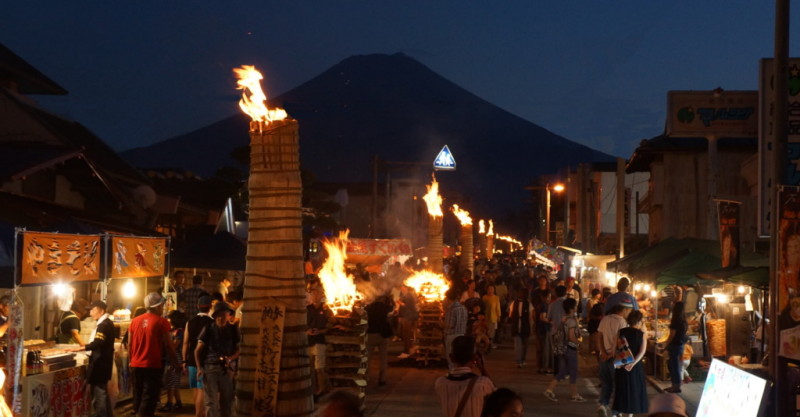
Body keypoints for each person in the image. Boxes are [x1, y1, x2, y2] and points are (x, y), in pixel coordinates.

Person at [128, 292, 180, 417]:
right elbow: (168, 345)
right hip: (152, 365)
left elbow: (130, 344)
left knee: (139, 396)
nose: (163, 308)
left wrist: (131, 361)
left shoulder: (134, 321)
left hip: (135, 364)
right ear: (156, 306)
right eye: (162, 306)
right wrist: (175, 362)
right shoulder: (162, 322)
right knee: (149, 398)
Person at [195, 302, 240, 417]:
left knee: (227, 401)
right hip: (210, 367)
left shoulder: (233, 330)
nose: (222, 317)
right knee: (211, 402)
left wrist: (230, 359)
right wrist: (199, 368)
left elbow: (239, 350)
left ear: (229, 315)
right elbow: (197, 351)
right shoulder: (208, 329)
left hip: (227, 368)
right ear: (215, 316)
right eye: (220, 315)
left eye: (225, 314)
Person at [435, 336, 495, 417]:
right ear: (475, 358)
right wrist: (483, 369)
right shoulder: (483, 384)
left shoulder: (440, 383)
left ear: (451, 358)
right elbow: (497, 400)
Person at [72, 300, 115, 417]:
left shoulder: (103, 325)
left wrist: (82, 348)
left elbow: (98, 342)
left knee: (99, 395)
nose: (90, 313)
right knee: (102, 394)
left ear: (100, 311)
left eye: (92, 310)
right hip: (103, 363)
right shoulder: (106, 323)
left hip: (99, 364)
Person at [595, 300, 633, 417]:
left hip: (604, 356)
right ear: (624, 310)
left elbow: (599, 337)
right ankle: (616, 411)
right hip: (616, 358)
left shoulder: (605, 319)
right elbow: (620, 341)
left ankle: (602, 404)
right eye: (628, 311)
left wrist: (603, 352)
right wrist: (612, 353)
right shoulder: (622, 322)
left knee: (606, 383)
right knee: (618, 385)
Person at [543, 298, 585, 402]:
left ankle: (549, 390)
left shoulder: (564, 319)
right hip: (570, 348)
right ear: (572, 308)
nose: (576, 307)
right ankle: (574, 395)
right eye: (575, 306)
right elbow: (571, 337)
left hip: (563, 348)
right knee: (573, 371)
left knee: (564, 371)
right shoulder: (571, 321)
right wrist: (580, 343)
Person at [612, 310, 648, 416]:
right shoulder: (642, 334)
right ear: (639, 321)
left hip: (622, 363)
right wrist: (633, 363)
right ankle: (630, 414)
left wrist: (617, 360)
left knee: (621, 388)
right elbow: (642, 351)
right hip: (635, 367)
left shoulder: (621, 331)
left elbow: (616, 348)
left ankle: (618, 411)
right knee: (634, 389)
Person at [183, 296, 214, 417]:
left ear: (198, 306)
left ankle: (198, 412)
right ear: (210, 307)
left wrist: (184, 360)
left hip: (191, 359)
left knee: (196, 388)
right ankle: (198, 414)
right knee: (202, 389)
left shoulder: (190, 322)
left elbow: (186, 343)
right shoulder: (212, 323)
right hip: (204, 360)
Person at [308, 286, 333, 396]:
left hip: (319, 341)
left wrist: (321, 331)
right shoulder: (307, 309)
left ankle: (322, 389)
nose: (315, 296)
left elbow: (331, 325)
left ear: (321, 296)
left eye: (318, 294)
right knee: (310, 368)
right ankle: (312, 389)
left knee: (319, 367)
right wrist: (307, 331)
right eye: (313, 294)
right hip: (308, 341)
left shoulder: (326, 309)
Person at [160, 309, 187, 411]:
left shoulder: (179, 331)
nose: (168, 320)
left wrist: (166, 344)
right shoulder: (172, 330)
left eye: (169, 318)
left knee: (170, 382)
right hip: (171, 357)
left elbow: (175, 345)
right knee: (174, 381)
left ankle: (169, 403)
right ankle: (178, 402)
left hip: (175, 358)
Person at [365, 295, 393, 386]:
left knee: (368, 358)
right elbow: (393, 308)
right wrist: (391, 300)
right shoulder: (385, 307)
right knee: (383, 359)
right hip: (383, 335)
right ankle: (382, 379)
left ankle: (366, 377)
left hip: (371, 334)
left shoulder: (368, 308)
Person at [665, 301, 688, 393]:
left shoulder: (676, 320)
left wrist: (666, 346)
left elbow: (671, 335)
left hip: (675, 345)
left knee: (674, 366)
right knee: (675, 366)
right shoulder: (684, 320)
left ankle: (676, 387)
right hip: (680, 345)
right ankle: (674, 385)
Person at [508, 287, 533, 368]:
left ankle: (522, 359)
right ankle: (519, 360)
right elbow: (511, 314)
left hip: (524, 326)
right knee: (518, 344)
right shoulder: (514, 303)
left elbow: (530, 317)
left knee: (524, 344)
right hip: (516, 325)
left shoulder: (528, 304)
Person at [444, 287, 468, 370]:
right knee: (459, 356)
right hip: (461, 334)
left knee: (451, 356)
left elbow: (450, 325)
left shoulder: (451, 309)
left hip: (452, 336)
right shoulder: (463, 308)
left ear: (448, 298)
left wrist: (441, 324)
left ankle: (453, 373)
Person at [397, 284, 418, 359]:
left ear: (406, 287)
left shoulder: (409, 296)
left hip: (408, 317)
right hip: (405, 316)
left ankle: (407, 351)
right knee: (405, 334)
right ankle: (408, 350)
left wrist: (400, 303)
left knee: (407, 334)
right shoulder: (405, 295)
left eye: (402, 286)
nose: (401, 288)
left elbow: (409, 306)